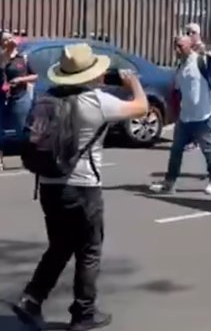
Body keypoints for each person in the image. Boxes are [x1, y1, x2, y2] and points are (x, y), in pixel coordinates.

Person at [12, 42, 149, 331]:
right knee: (88, 250)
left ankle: (32, 299)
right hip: (83, 187)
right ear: (90, 75)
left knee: (59, 247)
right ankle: (84, 313)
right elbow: (142, 108)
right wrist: (133, 83)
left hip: (49, 185)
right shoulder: (97, 102)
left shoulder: (48, 98)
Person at [150, 35, 211, 195]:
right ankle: (170, 183)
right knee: (176, 150)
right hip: (185, 117)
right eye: (176, 46)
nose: (177, 49)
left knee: (207, 148)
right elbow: (177, 89)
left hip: (204, 115)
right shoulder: (180, 66)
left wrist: (209, 53)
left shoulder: (201, 61)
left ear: (190, 46)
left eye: (181, 46)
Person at [0, 31, 37, 170]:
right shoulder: (2, 57)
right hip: (2, 97)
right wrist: (7, 52)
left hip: (20, 96)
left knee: (21, 129)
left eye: (10, 38)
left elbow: (35, 76)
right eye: (4, 40)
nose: (8, 41)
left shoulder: (24, 57)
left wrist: (21, 79)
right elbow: (2, 65)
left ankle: (25, 158)